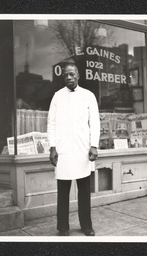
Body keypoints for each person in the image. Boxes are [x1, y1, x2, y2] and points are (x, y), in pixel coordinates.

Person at [47, 63, 100, 236]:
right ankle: (63, 227)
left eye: (71, 74)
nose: (68, 77)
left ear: (78, 75)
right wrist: (52, 148)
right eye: (65, 75)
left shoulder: (88, 96)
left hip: (83, 149)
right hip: (63, 150)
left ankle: (86, 226)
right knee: (63, 192)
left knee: (84, 191)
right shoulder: (57, 96)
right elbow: (51, 124)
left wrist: (94, 145)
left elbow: (95, 123)